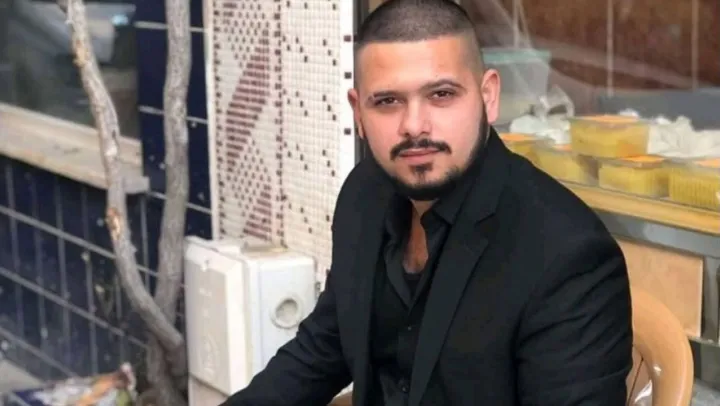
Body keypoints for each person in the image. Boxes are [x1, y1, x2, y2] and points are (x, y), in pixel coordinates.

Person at [221, 0, 633, 405]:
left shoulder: (567, 255)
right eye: (388, 101)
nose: (414, 126)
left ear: (488, 96)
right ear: (358, 113)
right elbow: (324, 347)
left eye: (441, 94)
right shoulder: (365, 194)